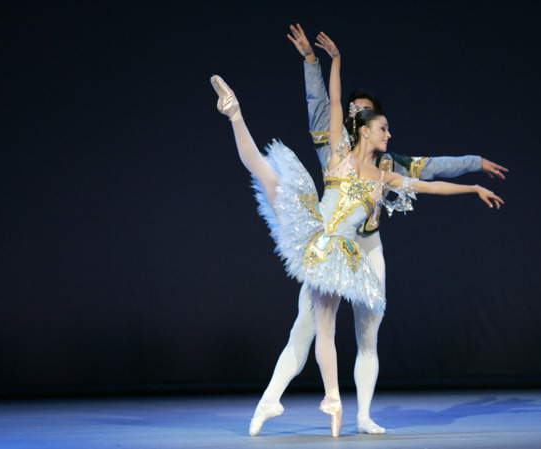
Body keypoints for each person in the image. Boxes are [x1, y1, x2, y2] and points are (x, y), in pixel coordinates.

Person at [211, 31, 503, 437]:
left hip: (353, 251)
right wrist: (329, 60)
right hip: (317, 232)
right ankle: (235, 113)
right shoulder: (337, 153)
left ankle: (344, 405)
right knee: (267, 175)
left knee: (339, 331)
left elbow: (432, 178)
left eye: (369, 116)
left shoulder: (387, 173)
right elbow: (328, 103)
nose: (386, 133)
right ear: (365, 129)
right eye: (382, 127)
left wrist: (472, 182)